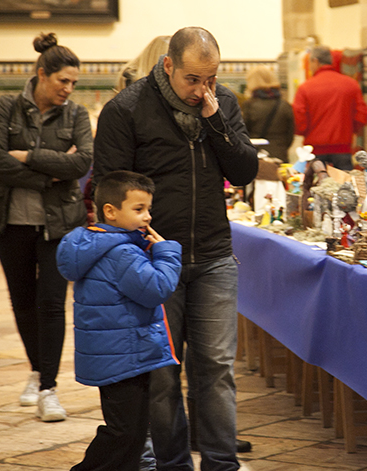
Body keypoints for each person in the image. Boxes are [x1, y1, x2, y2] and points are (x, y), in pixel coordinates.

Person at [93, 26, 258, 471]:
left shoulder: (220, 104)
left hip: (213, 255)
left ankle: (222, 464)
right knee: (163, 374)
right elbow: (108, 191)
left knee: (218, 369)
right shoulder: (126, 110)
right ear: (168, 66)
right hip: (151, 263)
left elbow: (243, 171)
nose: (203, 89)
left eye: (212, 79)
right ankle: (173, 465)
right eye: (193, 80)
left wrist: (215, 120)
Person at [0, 32, 92, 422]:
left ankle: (48, 388)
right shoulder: (7, 108)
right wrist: (48, 175)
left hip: (58, 225)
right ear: (42, 75)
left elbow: (81, 164)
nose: (69, 89)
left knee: (51, 304)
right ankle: (36, 370)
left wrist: (27, 155)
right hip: (10, 223)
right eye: (63, 80)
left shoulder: (75, 115)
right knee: (23, 304)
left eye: (74, 83)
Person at [56, 171, 182, 471]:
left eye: (148, 209)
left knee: (130, 432)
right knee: (126, 433)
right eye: (138, 210)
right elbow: (157, 289)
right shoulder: (123, 252)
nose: (147, 217)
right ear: (110, 211)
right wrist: (166, 252)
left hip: (114, 353)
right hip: (125, 356)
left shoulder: (92, 242)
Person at [292, 45, 367, 170]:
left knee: (315, 187)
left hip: (314, 152)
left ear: (315, 61)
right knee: (345, 187)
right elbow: (363, 114)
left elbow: (299, 121)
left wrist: (304, 132)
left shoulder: (305, 88)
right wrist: (350, 130)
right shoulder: (351, 84)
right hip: (343, 149)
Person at [242, 65, 295, 162]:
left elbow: (243, 132)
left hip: (257, 156)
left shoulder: (249, 105)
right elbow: (290, 135)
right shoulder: (285, 105)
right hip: (280, 155)